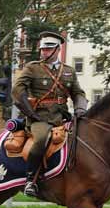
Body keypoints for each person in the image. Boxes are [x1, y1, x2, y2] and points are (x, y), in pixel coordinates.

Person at [11, 31, 88, 197]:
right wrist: (30, 112)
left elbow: (78, 93)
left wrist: (80, 108)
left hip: (63, 117)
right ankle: (30, 180)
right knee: (41, 140)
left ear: (57, 50)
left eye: (47, 49)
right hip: (39, 118)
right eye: (42, 49)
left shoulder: (69, 71)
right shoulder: (33, 68)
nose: (43, 52)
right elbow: (17, 90)